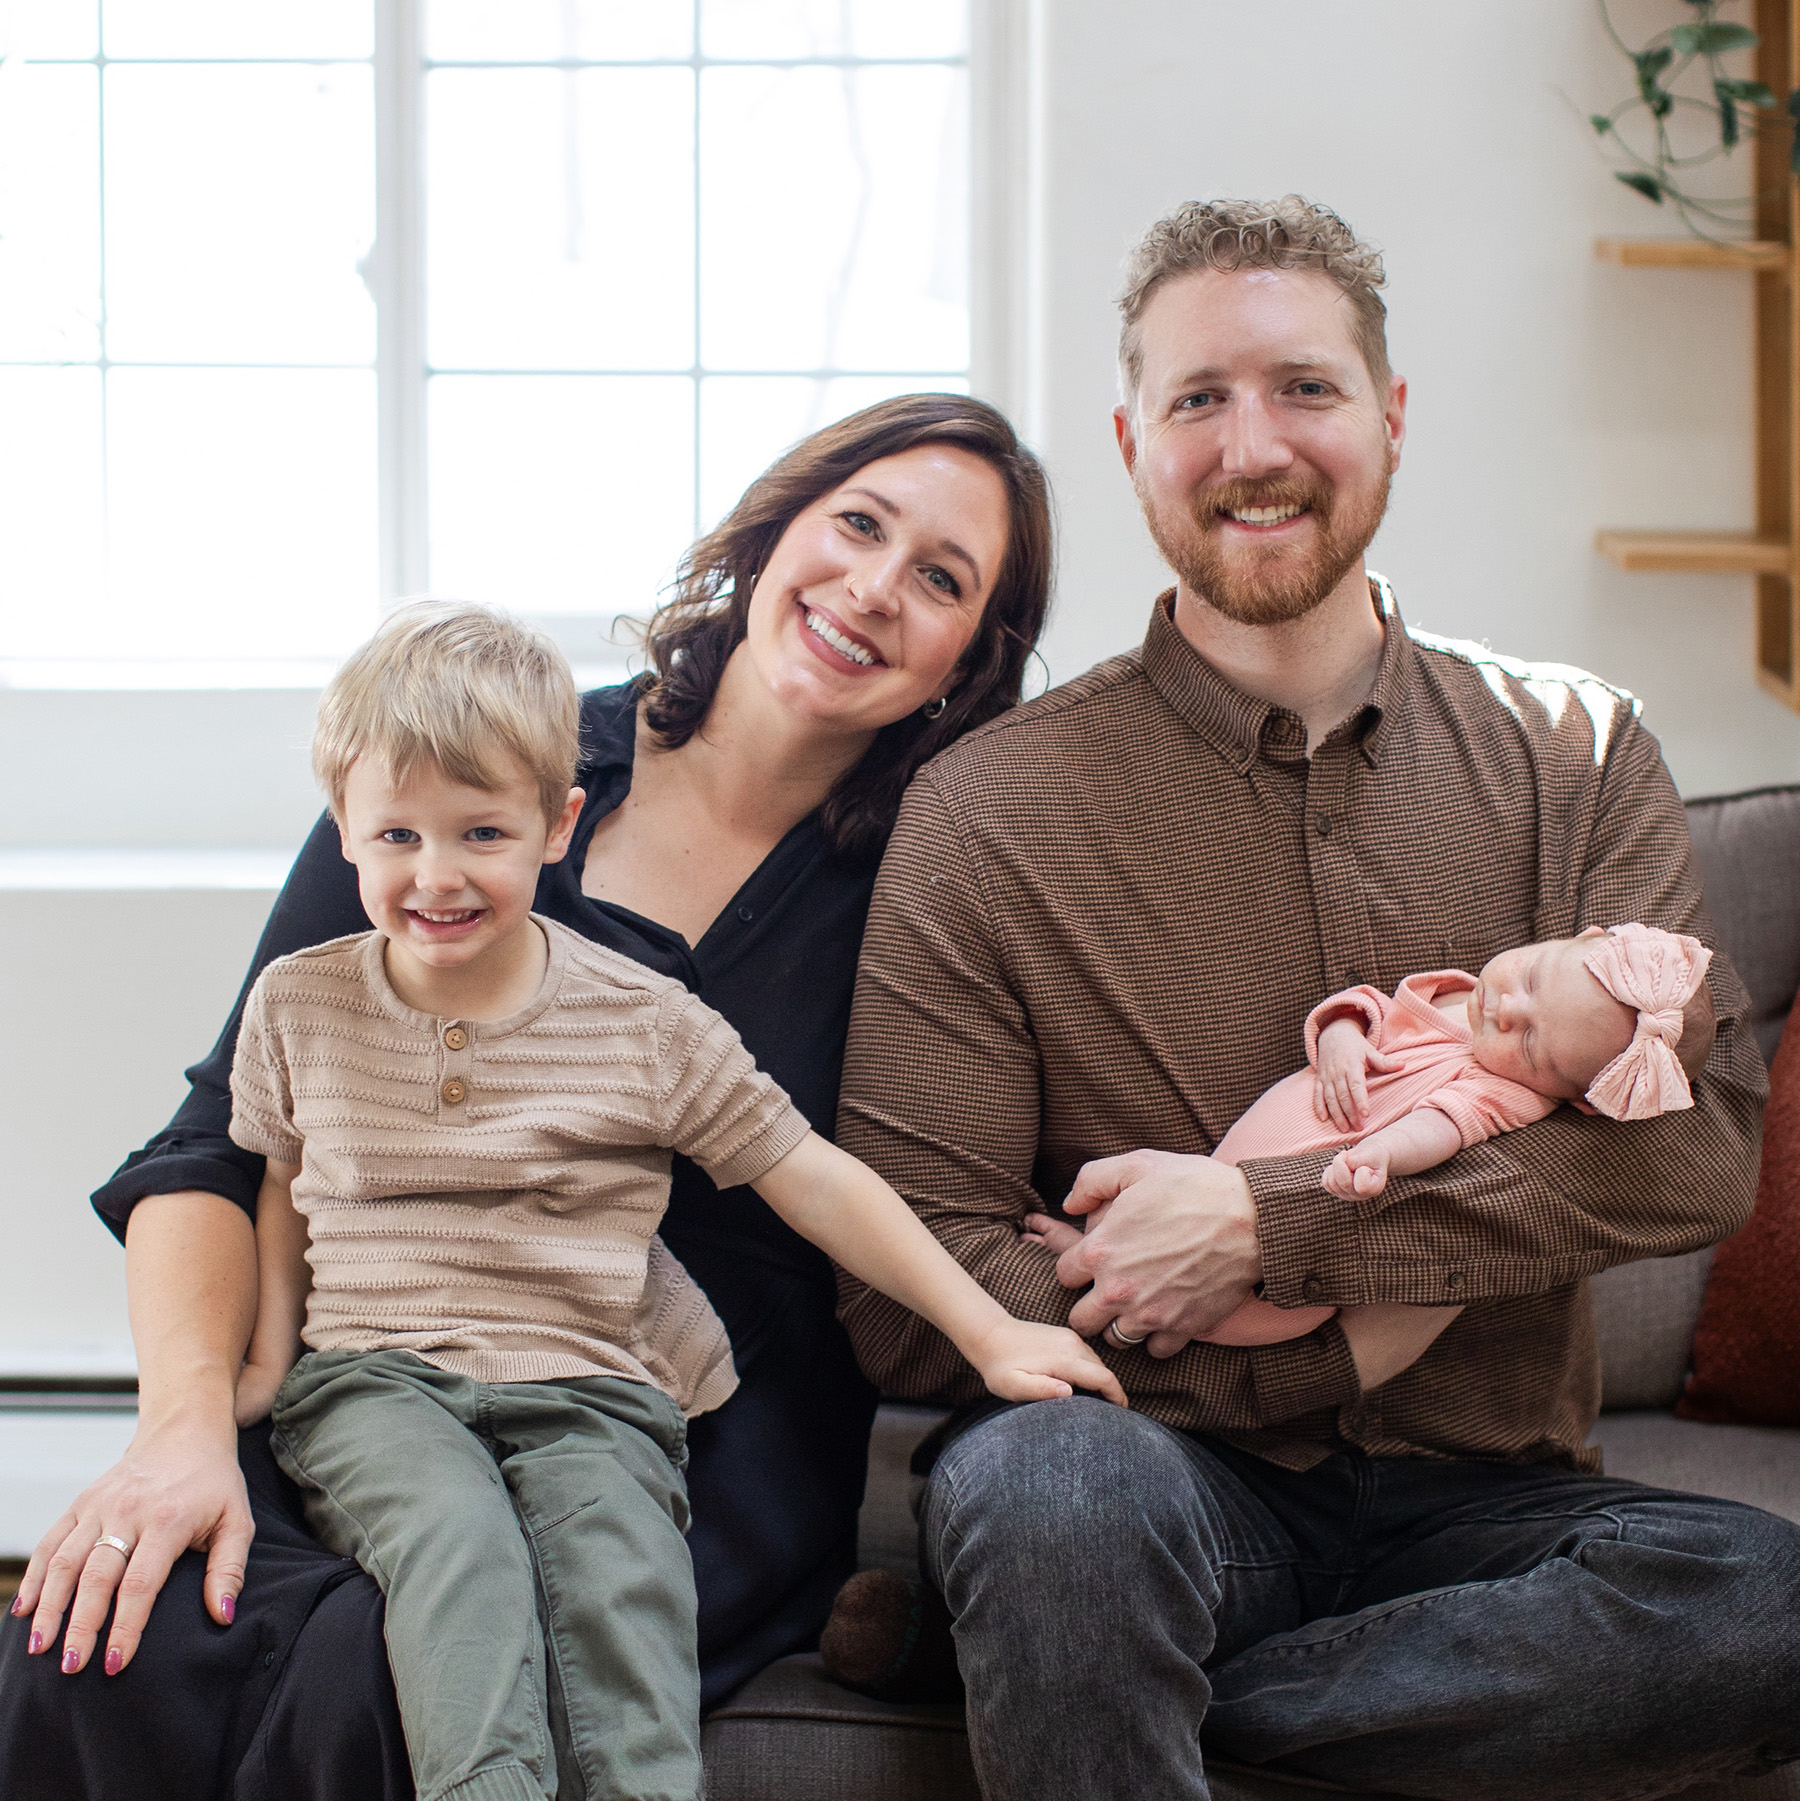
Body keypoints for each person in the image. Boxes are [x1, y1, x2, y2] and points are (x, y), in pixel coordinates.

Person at [833, 199, 1800, 1800]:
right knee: (1055, 1505)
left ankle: (1109, 1683)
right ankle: (1083, 1628)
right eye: (1200, 401)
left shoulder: (1579, 749)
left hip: (1494, 1512)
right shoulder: (986, 809)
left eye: (1305, 387)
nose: (1251, 445)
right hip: (1154, 1479)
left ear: (1393, 418)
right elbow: (911, 1278)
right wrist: (1300, 1363)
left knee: (1769, 1603)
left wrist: (1276, 1231)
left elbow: (1695, 1154)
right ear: (1135, 442)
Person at [0, 393, 1059, 1801]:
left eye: (941, 578)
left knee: (405, 1668)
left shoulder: (931, 887)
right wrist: (185, 1424)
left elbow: (892, 1183)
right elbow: (218, 1143)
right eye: (857, 524)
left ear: (965, 666)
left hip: (666, 1425)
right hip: (374, 1367)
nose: (874, 586)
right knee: (109, 1642)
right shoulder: (476, 764)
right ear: (772, 533)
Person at [219, 600, 1121, 1801]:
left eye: (481, 832)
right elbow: (281, 1182)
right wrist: (268, 1362)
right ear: (346, 831)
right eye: (398, 836)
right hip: (378, 1376)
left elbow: (811, 1174)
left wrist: (990, 1326)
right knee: (463, 1556)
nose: (436, 876)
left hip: (593, 1384)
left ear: (559, 825)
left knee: (626, 1597)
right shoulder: (300, 1002)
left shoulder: (642, 1019)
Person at [1159, 920, 1716, 1346]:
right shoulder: (1453, 993)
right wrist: (1341, 1040)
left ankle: (1175, 1329)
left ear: (1580, 1102)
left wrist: (1382, 1153)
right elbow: (1367, 1009)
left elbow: (1441, 1128)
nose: (1504, 1009)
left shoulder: (1511, 1093)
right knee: (1159, 1193)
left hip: (1292, 1178)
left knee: (1298, 1315)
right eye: (1529, 978)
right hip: (1237, 1155)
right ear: (1580, 936)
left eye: (1528, 1044)